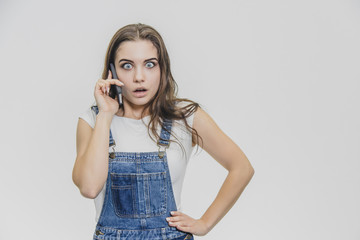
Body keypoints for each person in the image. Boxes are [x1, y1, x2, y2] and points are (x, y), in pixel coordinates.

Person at [72, 23, 255, 240]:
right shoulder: (93, 119)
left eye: (149, 64)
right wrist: (105, 115)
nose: (139, 77)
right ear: (112, 71)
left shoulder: (185, 117)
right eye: (127, 66)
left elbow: (242, 168)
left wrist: (205, 223)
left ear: (162, 69)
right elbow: (89, 188)